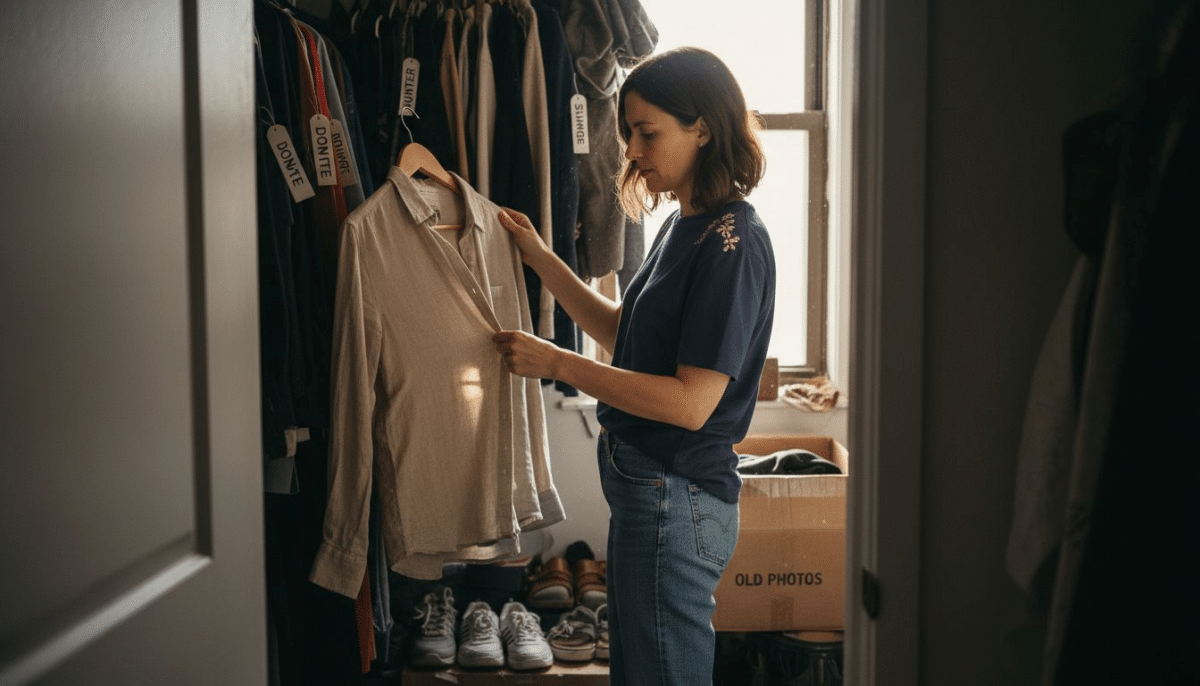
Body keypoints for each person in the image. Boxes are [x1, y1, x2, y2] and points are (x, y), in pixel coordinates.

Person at [492, 46, 775, 686]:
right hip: (651, 493)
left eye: (647, 134)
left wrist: (557, 362)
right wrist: (541, 257)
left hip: (675, 497)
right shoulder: (687, 226)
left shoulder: (731, 243)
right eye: (630, 136)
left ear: (703, 126)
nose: (633, 153)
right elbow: (626, 332)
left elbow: (689, 403)